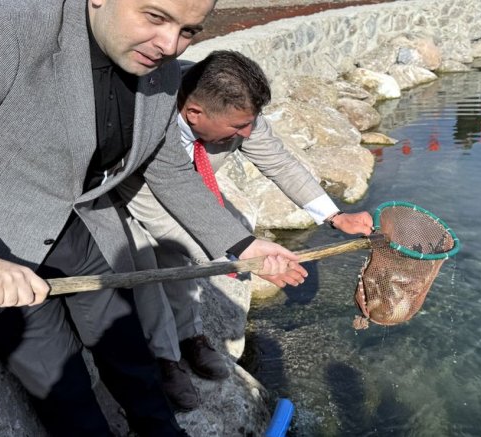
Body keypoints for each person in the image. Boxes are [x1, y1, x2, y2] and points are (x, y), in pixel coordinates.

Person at [0, 0, 307, 435]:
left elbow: (167, 168)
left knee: (128, 352)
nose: (169, 45)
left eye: (187, 30)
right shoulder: (2, 31)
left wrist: (242, 244)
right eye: (155, 17)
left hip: (68, 222)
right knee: (67, 392)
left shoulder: (160, 71)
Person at [116, 50, 373, 410]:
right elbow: (162, 216)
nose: (248, 134)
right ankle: (165, 357)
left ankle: (190, 336)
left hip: (187, 188)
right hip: (124, 193)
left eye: (252, 122)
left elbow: (279, 161)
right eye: (239, 128)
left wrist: (333, 215)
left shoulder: (236, 109)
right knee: (149, 264)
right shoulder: (148, 119)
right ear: (194, 114)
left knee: (182, 260)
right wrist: (241, 252)